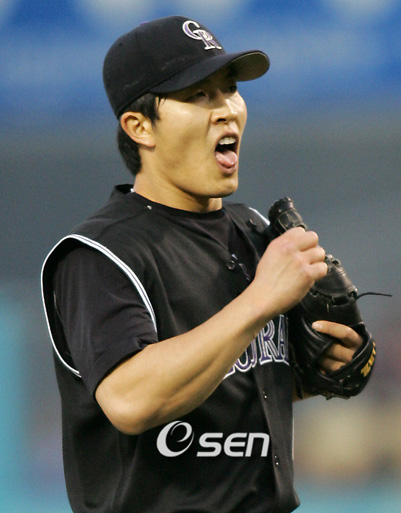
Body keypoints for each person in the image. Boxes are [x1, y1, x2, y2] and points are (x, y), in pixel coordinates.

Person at [41, 16, 369, 513]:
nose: (226, 110)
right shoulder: (101, 254)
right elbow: (131, 400)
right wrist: (260, 300)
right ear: (139, 127)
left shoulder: (255, 231)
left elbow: (230, 381)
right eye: (198, 95)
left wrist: (315, 372)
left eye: (230, 89)